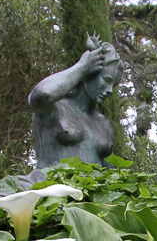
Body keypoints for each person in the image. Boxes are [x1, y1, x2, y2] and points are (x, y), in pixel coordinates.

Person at [29, 34, 121, 168]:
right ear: (90, 73)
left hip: (91, 182)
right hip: (50, 180)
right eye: (106, 80)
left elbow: (111, 173)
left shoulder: (104, 125)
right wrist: (82, 67)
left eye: (114, 85)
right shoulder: (54, 108)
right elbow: (42, 94)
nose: (110, 90)